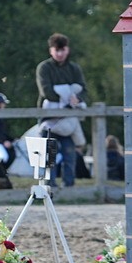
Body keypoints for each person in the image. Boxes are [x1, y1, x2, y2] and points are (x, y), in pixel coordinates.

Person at [36, 32, 88, 188]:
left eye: (62, 49)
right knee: (48, 154)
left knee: (69, 154)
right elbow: (46, 92)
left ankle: (69, 185)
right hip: (49, 118)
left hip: (68, 119)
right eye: (56, 50)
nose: (59, 53)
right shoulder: (44, 67)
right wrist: (67, 97)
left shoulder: (74, 68)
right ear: (51, 50)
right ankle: (49, 185)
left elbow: (83, 89)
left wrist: (77, 98)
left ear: (67, 49)